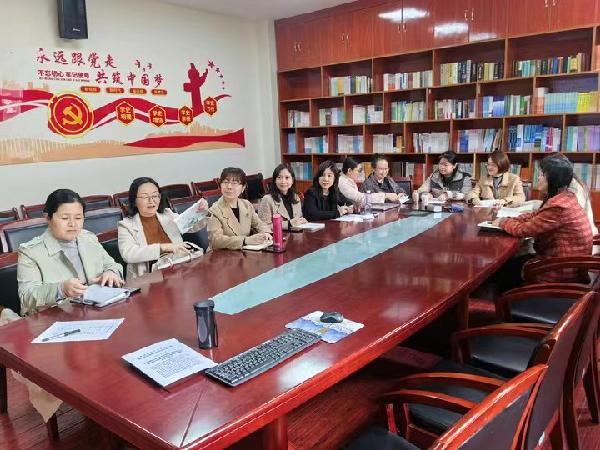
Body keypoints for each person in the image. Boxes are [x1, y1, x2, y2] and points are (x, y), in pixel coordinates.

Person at [17, 189, 124, 316]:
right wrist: (61, 289)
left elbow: (112, 265)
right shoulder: (30, 252)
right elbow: (26, 296)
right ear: (48, 218)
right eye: (65, 218)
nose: (73, 224)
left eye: (78, 218)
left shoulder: (88, 238)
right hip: (56, 317)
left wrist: (111, 272)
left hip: (95, 312)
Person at [494, 156, 592, 284]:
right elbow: (536, 215)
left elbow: (522, 230)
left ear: (553, 179)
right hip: (567, 264)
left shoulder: (558, 206)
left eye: (542, 175)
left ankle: (507, 296)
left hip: (560, 272)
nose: (538, 178)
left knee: (500, 270)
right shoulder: (566, 197)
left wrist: (503, 222)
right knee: (513, 262)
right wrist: (511, 219)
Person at [118, 177, 208, 279]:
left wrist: (200, 212)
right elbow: (128, 254)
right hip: (148, 279)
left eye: (155, 196)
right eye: (144, 197)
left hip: (178, 270)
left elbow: (191, 226)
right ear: (134, 201)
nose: (151, 201)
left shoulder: (167, 214)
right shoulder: (125, 225)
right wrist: (162, 247)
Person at [207, 167, 272, 250]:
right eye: (226, 182)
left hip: (244, 252)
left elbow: (259, 224)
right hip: (221, 254)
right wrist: (245, 240)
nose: (229, 187)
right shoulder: (214, 210)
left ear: (243, 188)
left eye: (234, 183)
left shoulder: (246, 205)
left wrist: (266, 233)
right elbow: (216, 240)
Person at [258, 163, 308, 230]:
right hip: (277, 236)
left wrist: (302, 221)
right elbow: (263, 227)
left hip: (296, 235)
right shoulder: (267, 199)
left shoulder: (296, 197)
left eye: (287, 177)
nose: (283, 181)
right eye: (279, 177)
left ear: (292, 180)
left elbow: (298, 220)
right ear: (275, 180)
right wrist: (289, 224)